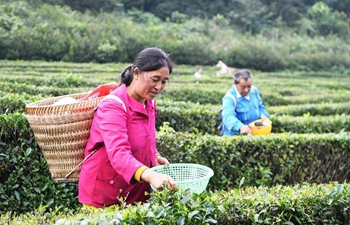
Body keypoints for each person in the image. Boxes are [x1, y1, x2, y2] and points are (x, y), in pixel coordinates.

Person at [78, 47, 178, 208]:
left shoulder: (149, 102)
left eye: (164, 81)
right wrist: (150, 175)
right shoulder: (113, 106)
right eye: (155, 79)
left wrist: (155, 156)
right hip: (105, 195)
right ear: (136, 73)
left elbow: (147, 138)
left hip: (135, 192)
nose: (159, 87)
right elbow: (118, 153)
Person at [218, 69, 269, 136]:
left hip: (253, 133)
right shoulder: (230, 98)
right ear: (235, 83)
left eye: (249, 86)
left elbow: (260, 106)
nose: (246, 90)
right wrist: (240, 126)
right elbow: (228, 116)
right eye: (243, 87)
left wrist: (263, 115)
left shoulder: (254, 91)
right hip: (236, 136)